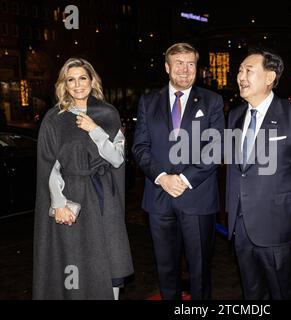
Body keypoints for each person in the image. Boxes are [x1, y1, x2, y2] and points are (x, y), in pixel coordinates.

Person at [33, 58, 134, 299]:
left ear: (92, 81)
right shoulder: (54, 118)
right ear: (64, 85)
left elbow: (118, 159)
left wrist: (94, 130)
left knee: (109, 262)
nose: (77, 84)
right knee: (74, 261)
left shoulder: (108, 113)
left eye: (82, 78)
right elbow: (49, 164)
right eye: (71, 79)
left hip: (103, 197)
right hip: (72, 200)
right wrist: (58, 204)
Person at [225, 48, 291, 300]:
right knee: (252, 294)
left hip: (280, 225)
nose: (240, 76)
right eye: (239, 70)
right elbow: (237, 170)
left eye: (248, 70)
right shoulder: (234, 116)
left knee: (285, 292)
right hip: (242, 227)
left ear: (269, 78)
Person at [132, 43, 224, 300]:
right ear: (167, 67)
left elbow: (215, 148)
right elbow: (140, 147)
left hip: (197, 197)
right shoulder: (148, 102)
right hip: (158, 198)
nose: (185, 70)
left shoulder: (212, 100)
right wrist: (163, 178)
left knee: (200, 269)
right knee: (165, 269)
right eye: (179, 63)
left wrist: (183, 179)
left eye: (191, 64)